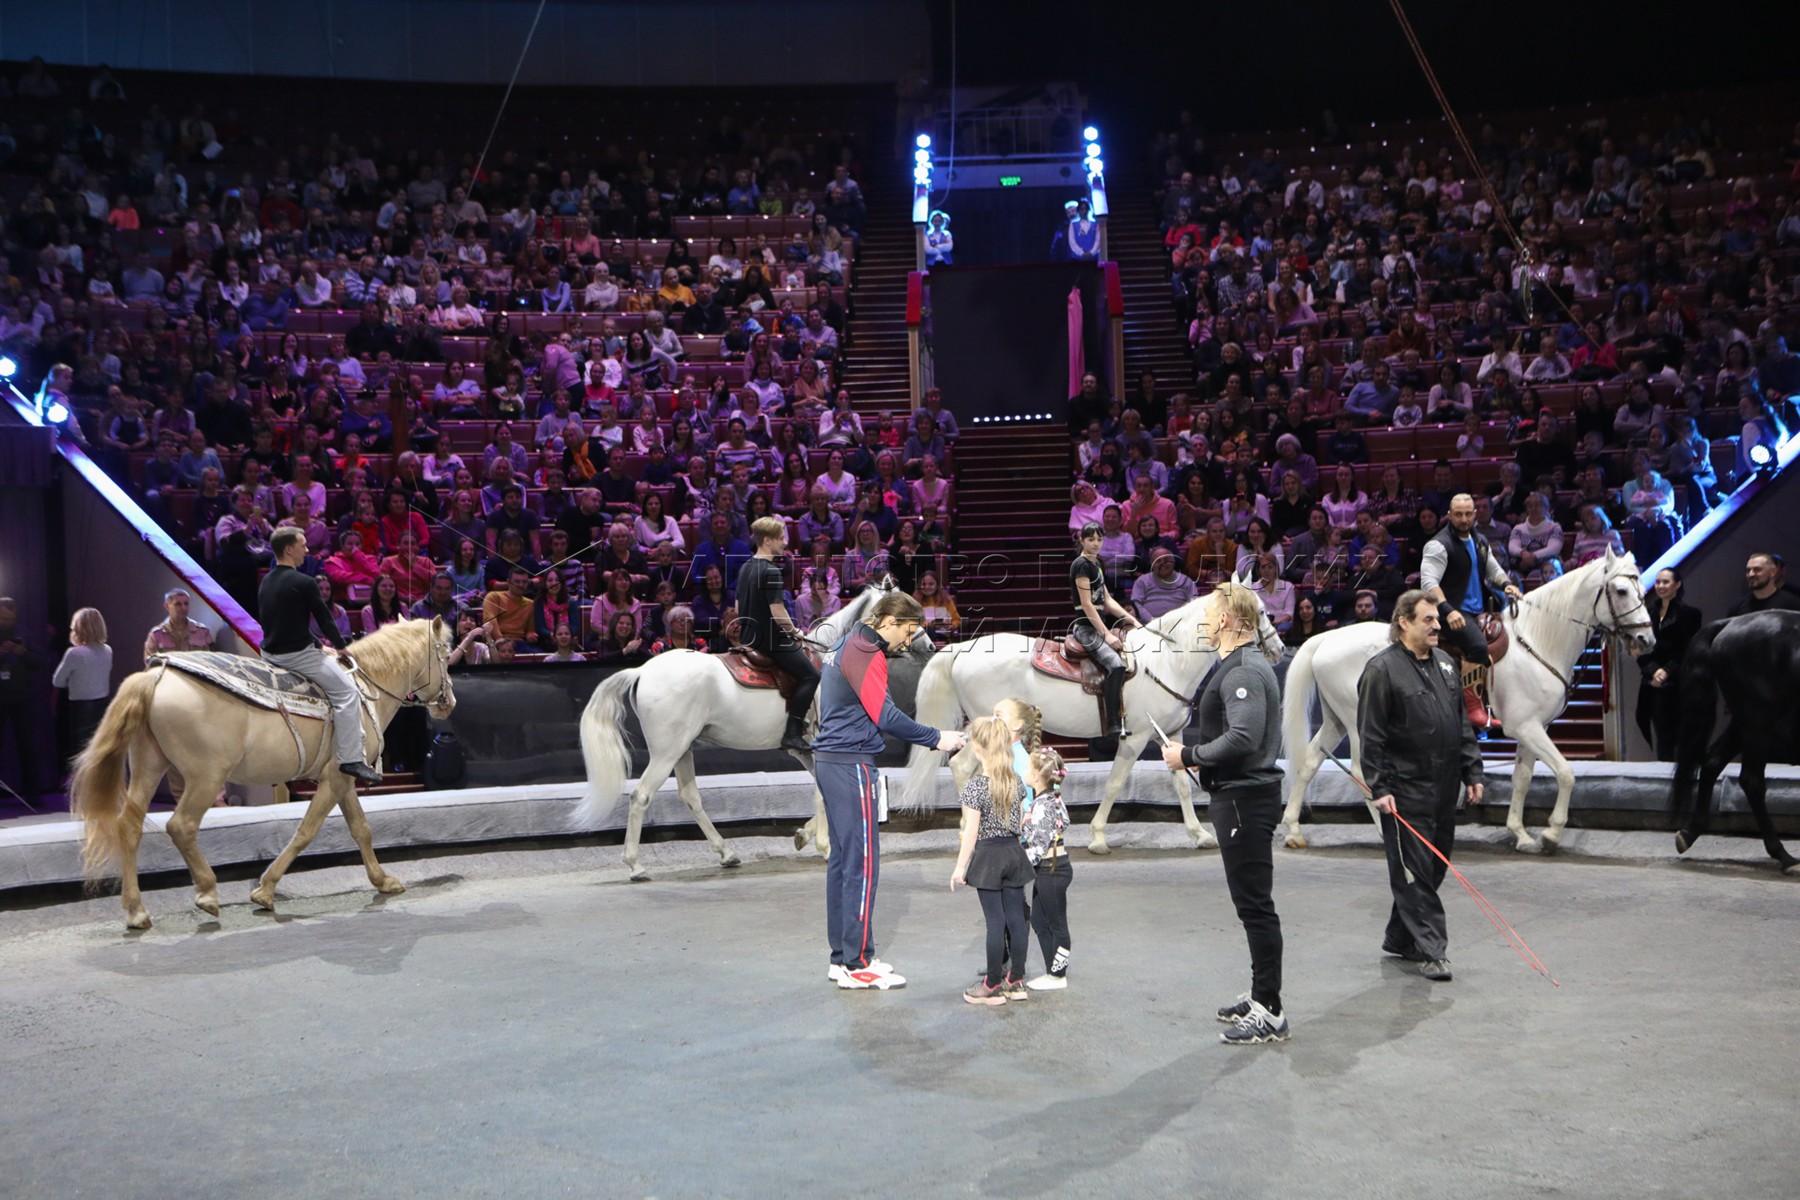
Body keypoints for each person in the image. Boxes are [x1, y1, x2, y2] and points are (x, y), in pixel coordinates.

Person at [814, 589, 966, 990]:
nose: (909, 641)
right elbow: (885, 715)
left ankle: (843, 958)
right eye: (908, 631)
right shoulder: (867, 652)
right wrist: (937, 737)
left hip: (832, 761)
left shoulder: (847, 641)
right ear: (889, 621)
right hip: (851, 764)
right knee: (863, 865)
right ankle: (857, 963)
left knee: (844, 863)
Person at [1159, 580, 1289, 1044]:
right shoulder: (1241, 665)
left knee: (1255, 907)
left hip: (1244, 800)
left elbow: (1243, 738)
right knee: (1251, 906)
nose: (1205, 621)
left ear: (1229, 619)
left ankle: (1270, 1011)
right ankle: (1261, 996)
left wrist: (1187, 756)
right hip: (1241, 797)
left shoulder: (1243, 670)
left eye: (1211, 614)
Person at [1357, 590, 1485, 983]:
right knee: (1415, 872)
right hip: (1404, 789)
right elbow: (1371, 736)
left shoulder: (1445, 663)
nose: (1437, 625)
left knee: (1435, 865)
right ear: (1404, 622)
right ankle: (1432, 950)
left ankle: (1400, 937)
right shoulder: (1381, 670)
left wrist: (1473, 772)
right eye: (1428, 619)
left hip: (1444, 787)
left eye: (1437, 619)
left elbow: (1460, 723)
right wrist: (1379, 787)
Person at [258, 528, 382, 785]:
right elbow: (325, 619)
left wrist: (317, 645)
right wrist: (341, 647)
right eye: (302, 545)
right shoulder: (304, 582)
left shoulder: (266, 581)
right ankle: (351, 759)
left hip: (269, 654)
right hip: (296, 656)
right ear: (289, 549)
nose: (306, 550)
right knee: (348, 693)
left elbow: (287, 623)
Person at [951, 716, 1036, 1006]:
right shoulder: (1016, 782)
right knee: (1016, 920)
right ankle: (1017, 980)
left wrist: (960, 867)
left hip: (988, 856)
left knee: (995, 923)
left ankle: (992, 984)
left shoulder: (976, 787)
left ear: (977, 749)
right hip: (1013, 852)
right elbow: (1020, 823)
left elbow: (971, 832)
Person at [1418, 493, 1522, 729]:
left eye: (1468, 514)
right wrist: (1447, 610)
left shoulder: (1480, 540)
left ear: (1475, 514)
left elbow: (1493, 571)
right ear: (1449, 515)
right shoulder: (1438, 545)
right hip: (1449, 611)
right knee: (1477, 645)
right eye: (1458, 514)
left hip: (1478, 609)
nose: (1464, 519)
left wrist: (1507, 585)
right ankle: (1473, 708)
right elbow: (1429, 583)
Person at [735, 517, 820, 752]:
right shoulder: (771, 571)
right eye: (781, 538)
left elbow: (738, 608)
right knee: (812, 675)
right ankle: (792, 732)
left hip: (748, 638)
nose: (785, 543)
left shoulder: (745, 568)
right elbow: (778, 613)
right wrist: (796, 632)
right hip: (771, 641)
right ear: (767, 540)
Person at [1071, 521, 1142, 746]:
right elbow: (1087, 605)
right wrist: (1106, 635)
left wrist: (1133, 621)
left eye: (1099, 539)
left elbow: (1108, 600)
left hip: (1097, 626)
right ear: (1081, 540)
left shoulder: (1097, 564)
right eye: (1090, 539)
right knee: (1116, 665)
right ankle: (1113, 722)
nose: (1096, 543)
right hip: (1086, 628)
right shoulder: (1081, 565)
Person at [1634, 567, 1700, 761]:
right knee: (1662, 735)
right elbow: (1639, 648)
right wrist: (1653, 671)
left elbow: (1687, 648)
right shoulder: (1646, 613)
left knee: (1682, 733)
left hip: (1679, 681)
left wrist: (1667, 671)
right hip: (1652, 682)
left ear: (1677, 584)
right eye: (1658, 582)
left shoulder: (1690, 614)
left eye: (1665, 582)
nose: (1660, 586)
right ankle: (1664, 773)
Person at [52, 608, 113, 766]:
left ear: (78, 628)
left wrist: (73, 681)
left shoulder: (75, 653)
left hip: (81, 708)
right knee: (99, 751)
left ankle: (81, 782)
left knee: (82, 753)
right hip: (103, 705)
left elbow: (57, 681)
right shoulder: (107, 650)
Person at [143, 588, 215, 664]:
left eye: (186, 604)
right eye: (178, 604)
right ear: (167, 606)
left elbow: (211, 662)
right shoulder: (157, 635)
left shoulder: (202, 632)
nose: (183, 608)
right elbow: (150, 664)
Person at [1729, 552, 1800, 616]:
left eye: (1757, 569)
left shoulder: (1792, 605)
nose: (1751, 574)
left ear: (1772, 572)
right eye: (1748, 570)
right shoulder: (1737, 608)